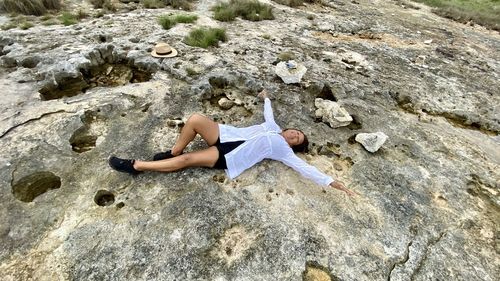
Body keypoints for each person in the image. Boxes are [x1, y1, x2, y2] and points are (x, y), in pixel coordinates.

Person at [109, 90, 355, 196]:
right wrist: (266, 98)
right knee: (194, 119)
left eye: (296, 139)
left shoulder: (283, 150)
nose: (293, 135)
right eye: (295, 132)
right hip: (225, 136)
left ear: (293, 146)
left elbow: (306, 169)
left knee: (186, 161)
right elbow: (269, 114)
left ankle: (136, 166)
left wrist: (332, 182)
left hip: (229, 156)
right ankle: (171, 151)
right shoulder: (274, 128)